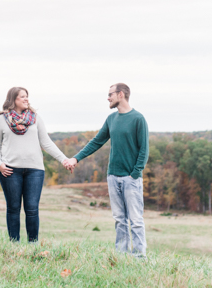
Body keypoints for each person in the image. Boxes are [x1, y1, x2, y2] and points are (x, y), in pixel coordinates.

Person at [63, 83, 149, 257]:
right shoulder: (111, 119)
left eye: (110, 94)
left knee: (136, 220)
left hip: (131, 179)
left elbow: (144, 150)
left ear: (121, 94)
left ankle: (139, 256)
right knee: (119, 220)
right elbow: (96, 142)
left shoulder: (138, 118)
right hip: (113, 177)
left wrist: (134, 174)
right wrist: (76, 158)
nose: (108, 98)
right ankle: (122, 255)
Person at [0, 86, 69, 243]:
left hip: (35, 171)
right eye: (22, 97)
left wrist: (63, 159)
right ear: (13, 100)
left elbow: (46, 143)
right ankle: (14, 244)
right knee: (13, 208)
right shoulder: (1, 120)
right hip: (10, 170)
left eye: (27, 96)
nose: (26, 99)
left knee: (32, 209)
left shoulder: (35, 118)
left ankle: (32, 245)